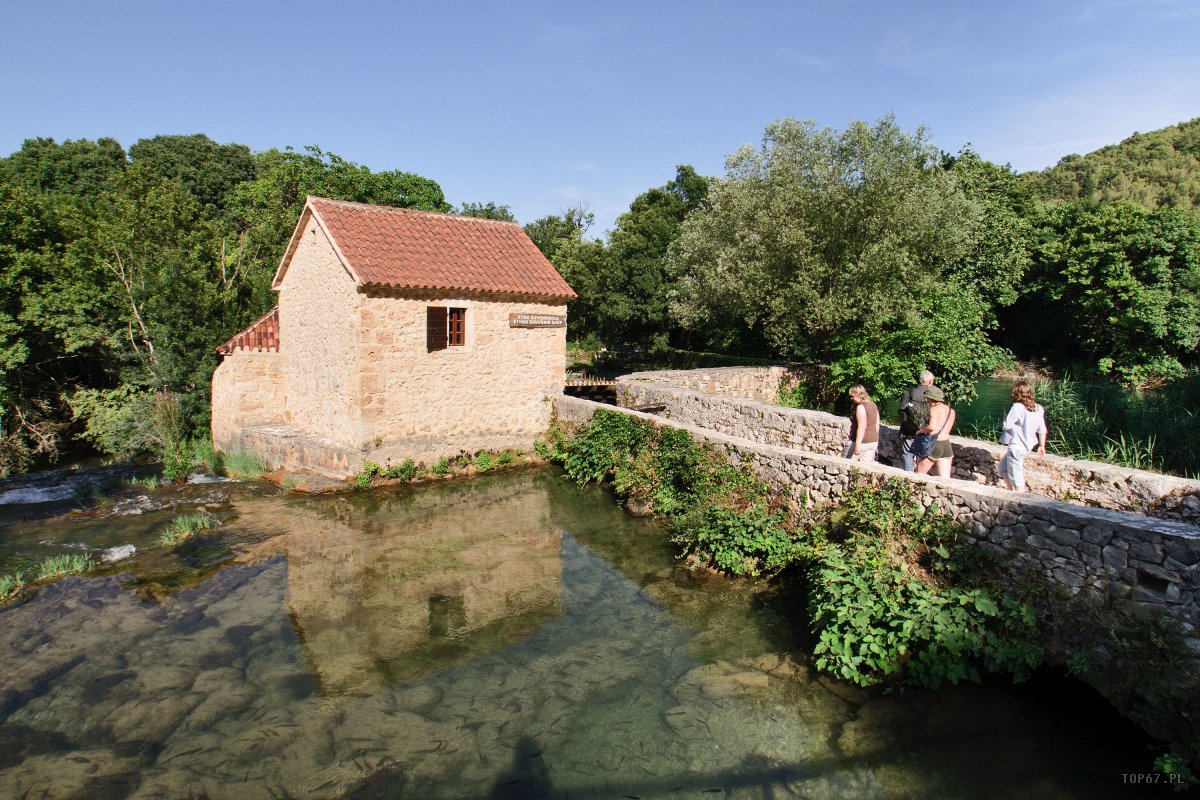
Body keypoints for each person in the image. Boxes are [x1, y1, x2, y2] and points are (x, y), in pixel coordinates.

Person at [999, 380, 1047, 491]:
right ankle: (1012, 492)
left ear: (1016, 393)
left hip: (1016, 446)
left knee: (1017, 477)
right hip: (1027, 446)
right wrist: (1041, 446)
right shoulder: (1039, 408)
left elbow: (1006, 425)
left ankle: (1020, 500)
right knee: (1003, 468)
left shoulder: (1017, 407)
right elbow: (1042, 429)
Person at [914, 386, 955, 478]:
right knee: (945, 478)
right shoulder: (951, 411)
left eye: (927, 399)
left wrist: (920, 431)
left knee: (919, 474)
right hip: (946, 444)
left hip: (935, 443)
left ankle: (911, 491)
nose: (927, 401)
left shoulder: (934, 409)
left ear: (931, 399)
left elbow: (932, 427)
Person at [898, 370, 935, 471]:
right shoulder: (932, 395)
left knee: (907, 454)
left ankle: (908, 478)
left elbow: (901, 410)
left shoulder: (909, 393)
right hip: (926, 431)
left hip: (909, 430)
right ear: (930, 381)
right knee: (923, 456)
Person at [843, 385, 879, 463]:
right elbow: (877, 424)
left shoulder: (861, 407)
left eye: (852, 396)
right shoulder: (874, 405)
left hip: (862, 442)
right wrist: (876, 440)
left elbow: (862, 426)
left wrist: (857, 445)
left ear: (858, 394)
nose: (851, 398)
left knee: (847, 465)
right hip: (873, 441)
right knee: (864, 469)